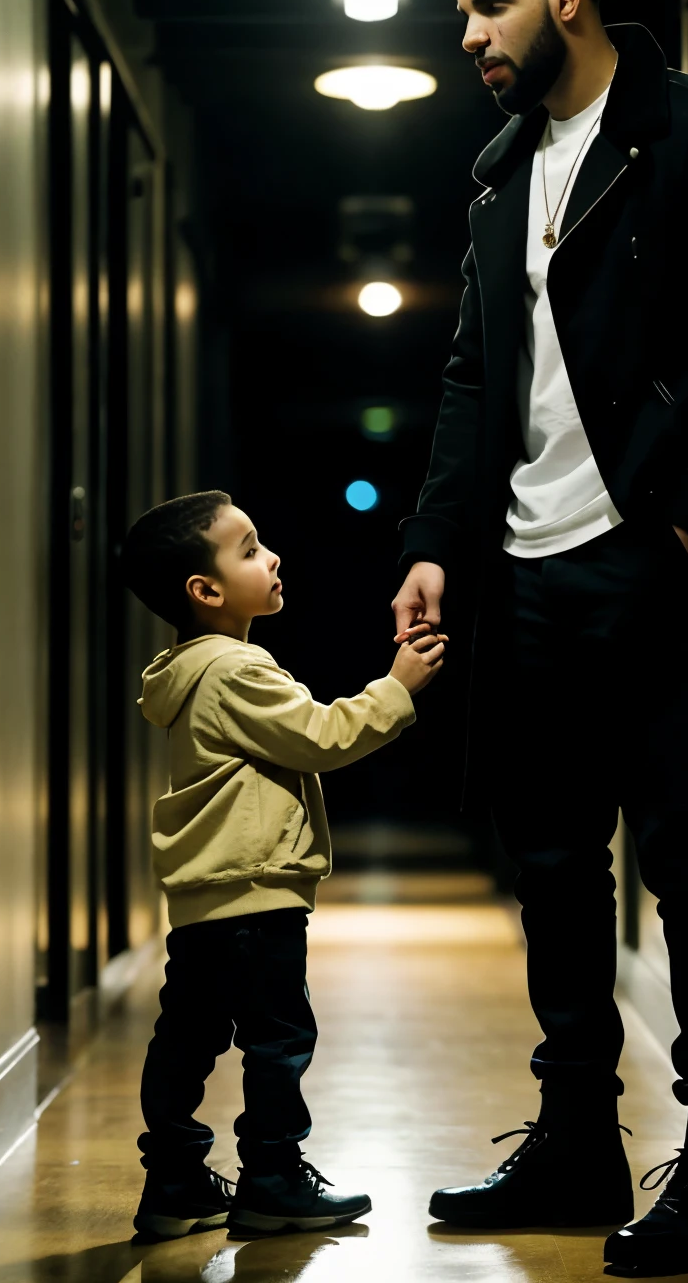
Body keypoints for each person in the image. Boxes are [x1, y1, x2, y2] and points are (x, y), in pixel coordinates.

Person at [391, 0, 688, 1275]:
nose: (470, 38)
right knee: (557, 872)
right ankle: (576, 1140)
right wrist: (437, 542)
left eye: (491, 8)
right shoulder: (502, 167)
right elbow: (473, 376)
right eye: (463, 15)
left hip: (650, 557)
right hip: (520, 575)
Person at [122, 490, 446, 1240]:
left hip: (206, 898)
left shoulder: (182, 669)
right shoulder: (236, 668)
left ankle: (172, 1180)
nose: (272, 558)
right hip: (256, 893)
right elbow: (323, 737)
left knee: (188, 1035)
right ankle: (272, 1174)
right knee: (277, 1039)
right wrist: (398, 686)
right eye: (248, 549)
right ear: (204, 592)